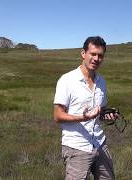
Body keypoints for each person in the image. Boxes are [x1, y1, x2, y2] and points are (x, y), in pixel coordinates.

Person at [53, 36, 116, 180]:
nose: (96, 59)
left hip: (99, 143)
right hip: (77, 146)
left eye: (100, 56)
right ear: (83, 53)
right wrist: (83, 117)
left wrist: (107, 116)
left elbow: (100, 112)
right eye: (93, 54)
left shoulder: (102, 82)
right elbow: (57, 115)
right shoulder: (67, 80)